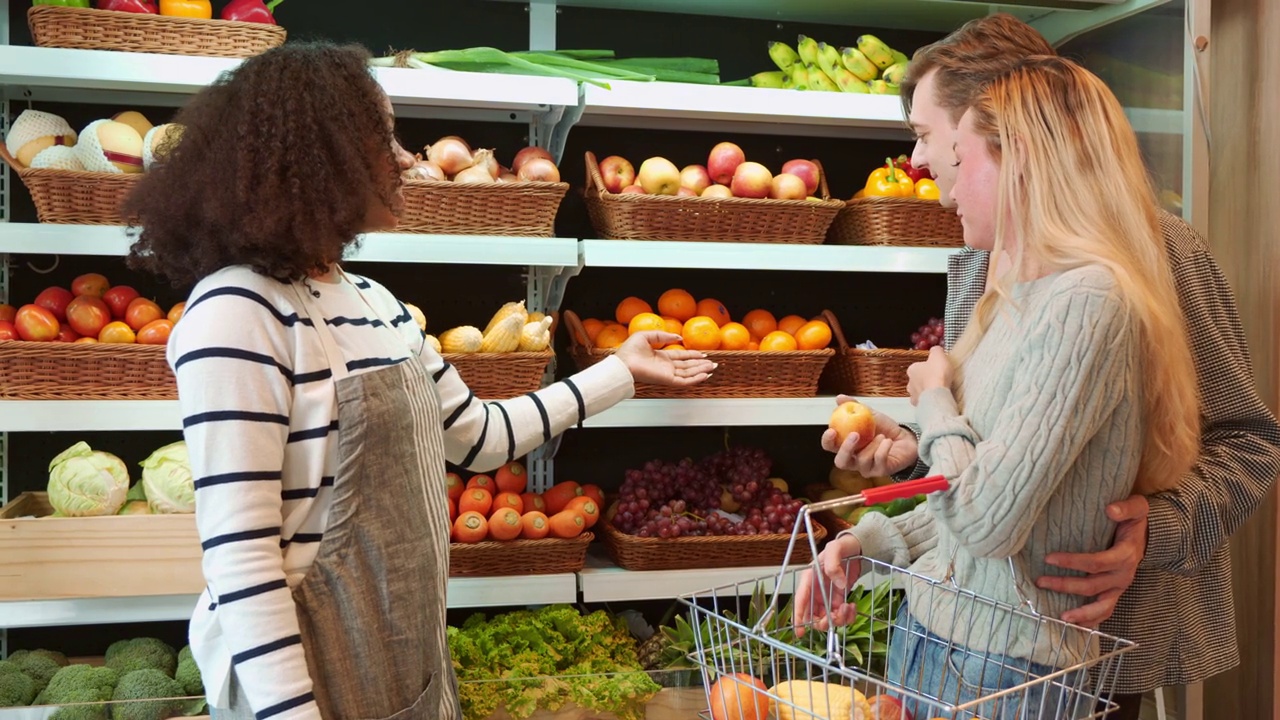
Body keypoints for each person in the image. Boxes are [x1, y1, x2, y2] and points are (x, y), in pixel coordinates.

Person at [122, 41, 714, 720]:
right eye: (384, 138)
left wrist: (620, 371)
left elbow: (479, 438)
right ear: (322, 158)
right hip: (305, 680)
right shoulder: (238, 313)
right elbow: (243, 565)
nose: (407, 158)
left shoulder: (375, 301)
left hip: (403, 664)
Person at [817, 14, 1280, 720]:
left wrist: (1152, 529)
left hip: (1111, 645)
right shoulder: (986, 260)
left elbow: (1250, 441)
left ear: (1013, 125)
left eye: (928, 134)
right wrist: (918, 444)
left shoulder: (1150, 254)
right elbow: (1004, 462)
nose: (919, 161)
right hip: (986, 635)